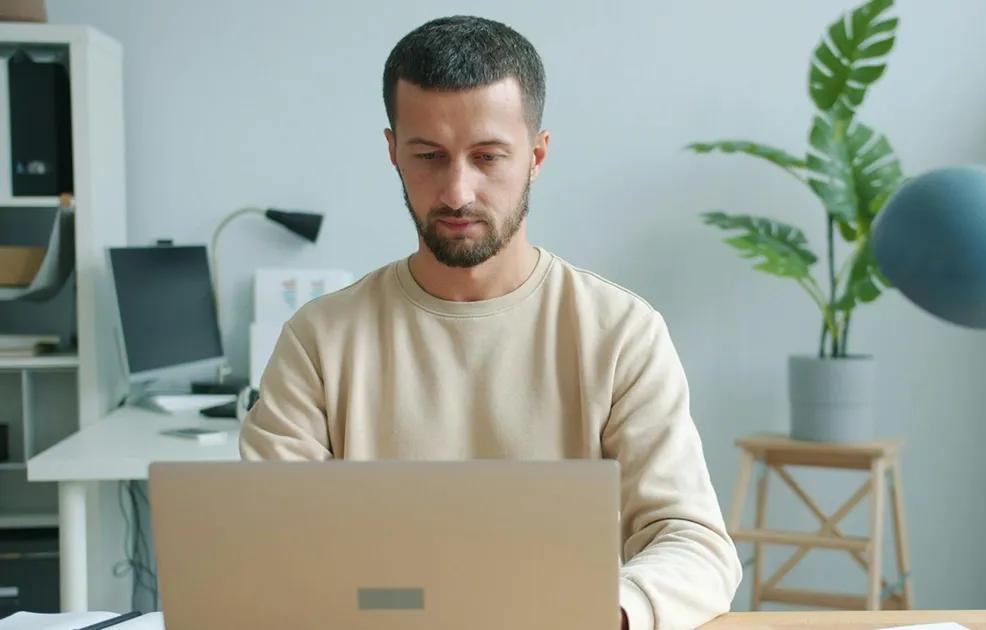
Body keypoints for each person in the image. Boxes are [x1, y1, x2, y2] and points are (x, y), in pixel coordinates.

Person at [240, 14, 741, 629]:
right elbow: (267, 548)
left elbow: (694, 544)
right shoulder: (320, 340)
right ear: (394, 152)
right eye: (429, 155)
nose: (457, 191)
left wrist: (608, 611)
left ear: (536, 155)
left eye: (487, 157)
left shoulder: (621, 333)